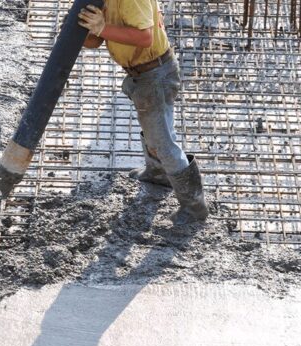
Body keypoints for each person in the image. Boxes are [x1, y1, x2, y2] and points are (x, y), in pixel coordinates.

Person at [78, 1, 209, 225]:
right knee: (153, 128)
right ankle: (157, 173)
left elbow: (144, 37)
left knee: (163, 140)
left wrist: (102, 28)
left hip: (155, 73)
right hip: (142, 72)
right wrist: (90, 28)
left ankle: (194, 207)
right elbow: (96, 40)